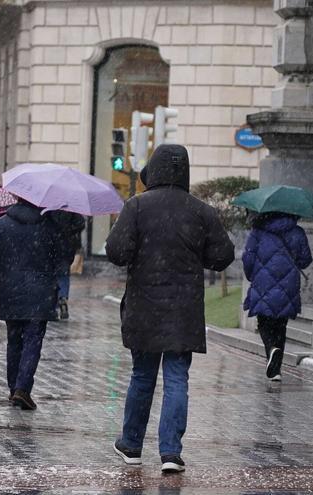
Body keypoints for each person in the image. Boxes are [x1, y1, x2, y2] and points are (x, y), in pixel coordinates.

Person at [106, 144, 234, 474]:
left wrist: (139, 253)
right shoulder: (201, 211)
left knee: (142, 376)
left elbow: (117, 251)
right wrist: (196, 257)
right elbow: (222, 256)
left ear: (154, 169)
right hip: (184, 310)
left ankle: (131, 444)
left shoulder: (136, 207)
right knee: (177, 379)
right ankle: (171, 452)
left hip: (144, 307)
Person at [0, 198, 66, 411]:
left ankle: (14, 388)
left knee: (14, 341)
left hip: (10, 291)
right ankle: (23, 388)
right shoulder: (48, 225)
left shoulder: (2, 224)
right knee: (33, 340)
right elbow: (62, 257)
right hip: (41, 292)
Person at [242, 212, 313, 381]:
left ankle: (271, 350)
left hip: (263, 281)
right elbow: (305, 260)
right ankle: (276, 370)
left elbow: (248, 258)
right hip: (289, 283)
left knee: (264, 322)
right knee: (281, 325)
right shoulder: (297, 232)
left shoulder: (258, 232)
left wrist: (251, 275)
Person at [49, 211, 85, 320]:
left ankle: (53, 306)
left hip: (51, 246)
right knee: (63, 275)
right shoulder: (71, 207)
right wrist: (70, 230)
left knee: (52, 276)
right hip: (66, 246)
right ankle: (63, 297)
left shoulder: (49, 207)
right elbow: (81, 223)